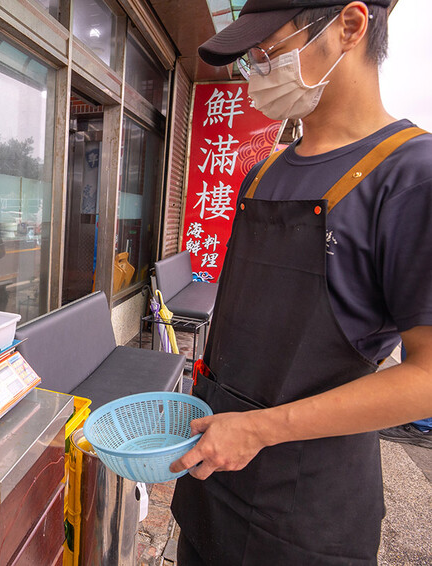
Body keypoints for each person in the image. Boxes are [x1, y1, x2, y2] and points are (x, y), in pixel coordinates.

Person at [167, 1, 432, 564]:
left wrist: (261, 429)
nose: (258, 69)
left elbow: (427, 377)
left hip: (305, 514)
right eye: (252, 59)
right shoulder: (263, 172)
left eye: (270, 50)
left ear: (350, 27)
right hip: (211, 479)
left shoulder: (412, 177)